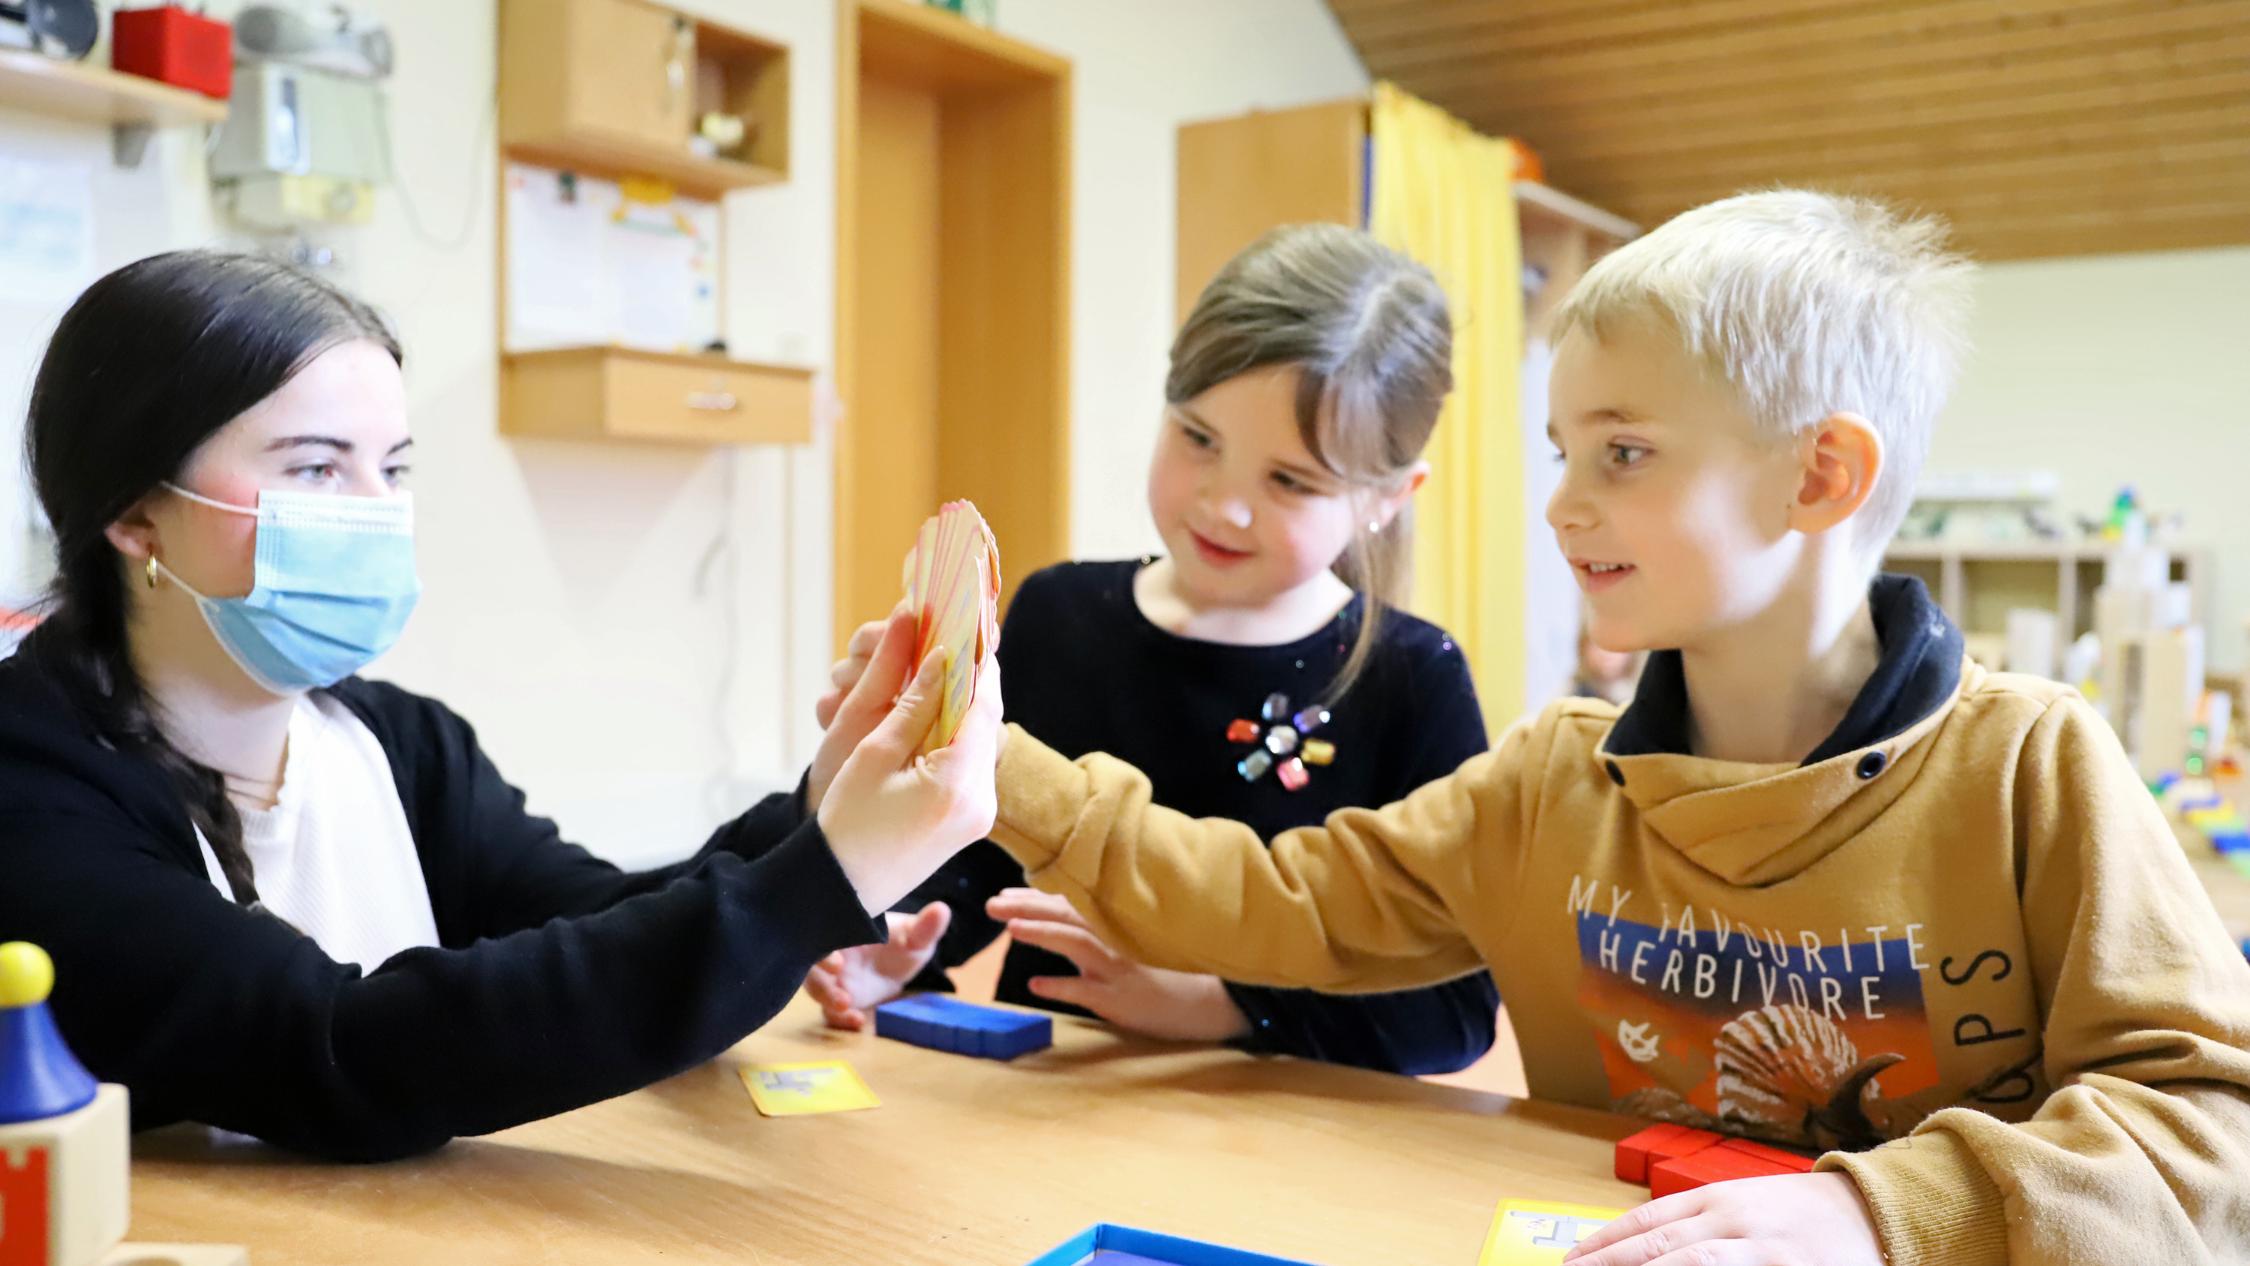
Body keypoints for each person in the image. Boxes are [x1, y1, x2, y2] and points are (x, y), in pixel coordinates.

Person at [839, 192, 2250, 1264]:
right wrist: (985, 756)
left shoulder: (2030, 763)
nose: (1563, 504)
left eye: (1622, 454)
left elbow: (2211, 1125)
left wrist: (1869, 1213)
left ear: (1819, 471)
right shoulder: (1547, 783)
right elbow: (1269, 901)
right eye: (1562, 452)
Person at [0, 250, 999, 1161]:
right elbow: (347, 1053)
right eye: (314, 467)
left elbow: (598, 925)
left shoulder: (400, 743)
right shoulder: (31, 782)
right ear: (135, 514)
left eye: (392, 469)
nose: (376, 512)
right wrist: (821, 880)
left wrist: (824, 805)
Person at [807, 225, 1497, 1073]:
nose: (1223, 506)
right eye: (1198, 439)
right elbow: (970, 867)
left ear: (1389, 497)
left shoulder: (1413, 677)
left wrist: (1218, 1007)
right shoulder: (1062, 612)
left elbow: (1454, 1011)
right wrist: (896, 947)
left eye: (1289, 481)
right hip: (1046, 1112)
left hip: (1287, 1150)